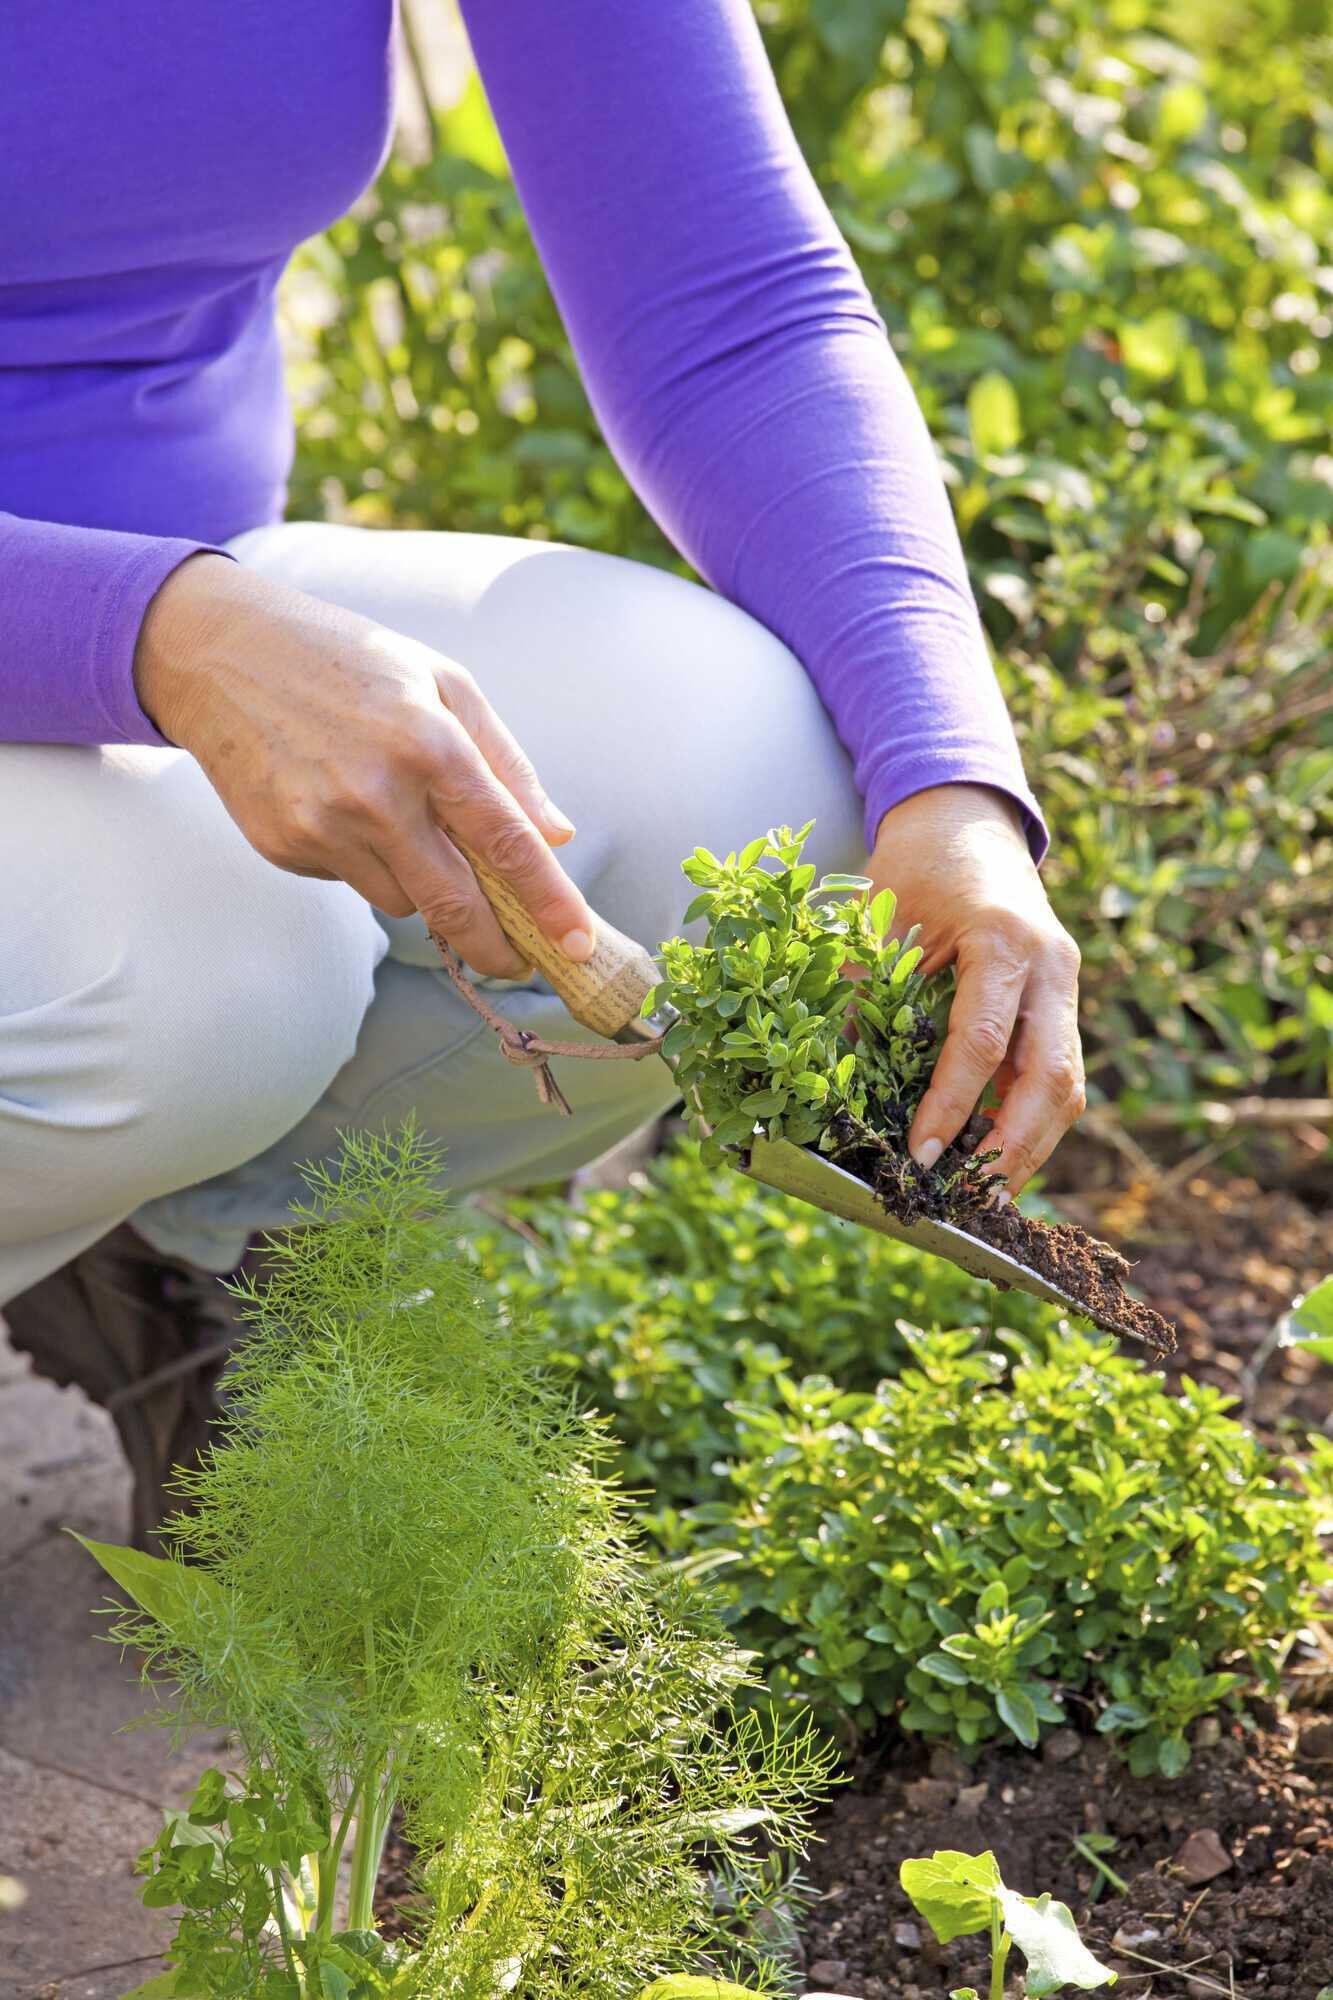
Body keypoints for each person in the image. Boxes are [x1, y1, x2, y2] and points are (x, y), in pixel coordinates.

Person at [1, 0, 1083, 1545]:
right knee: (208, 968)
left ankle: (171, 1255)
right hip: (151, 624)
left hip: (182, 589)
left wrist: (953, 791)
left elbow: (731, 304)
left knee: (757, 789)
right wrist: (155, 635)